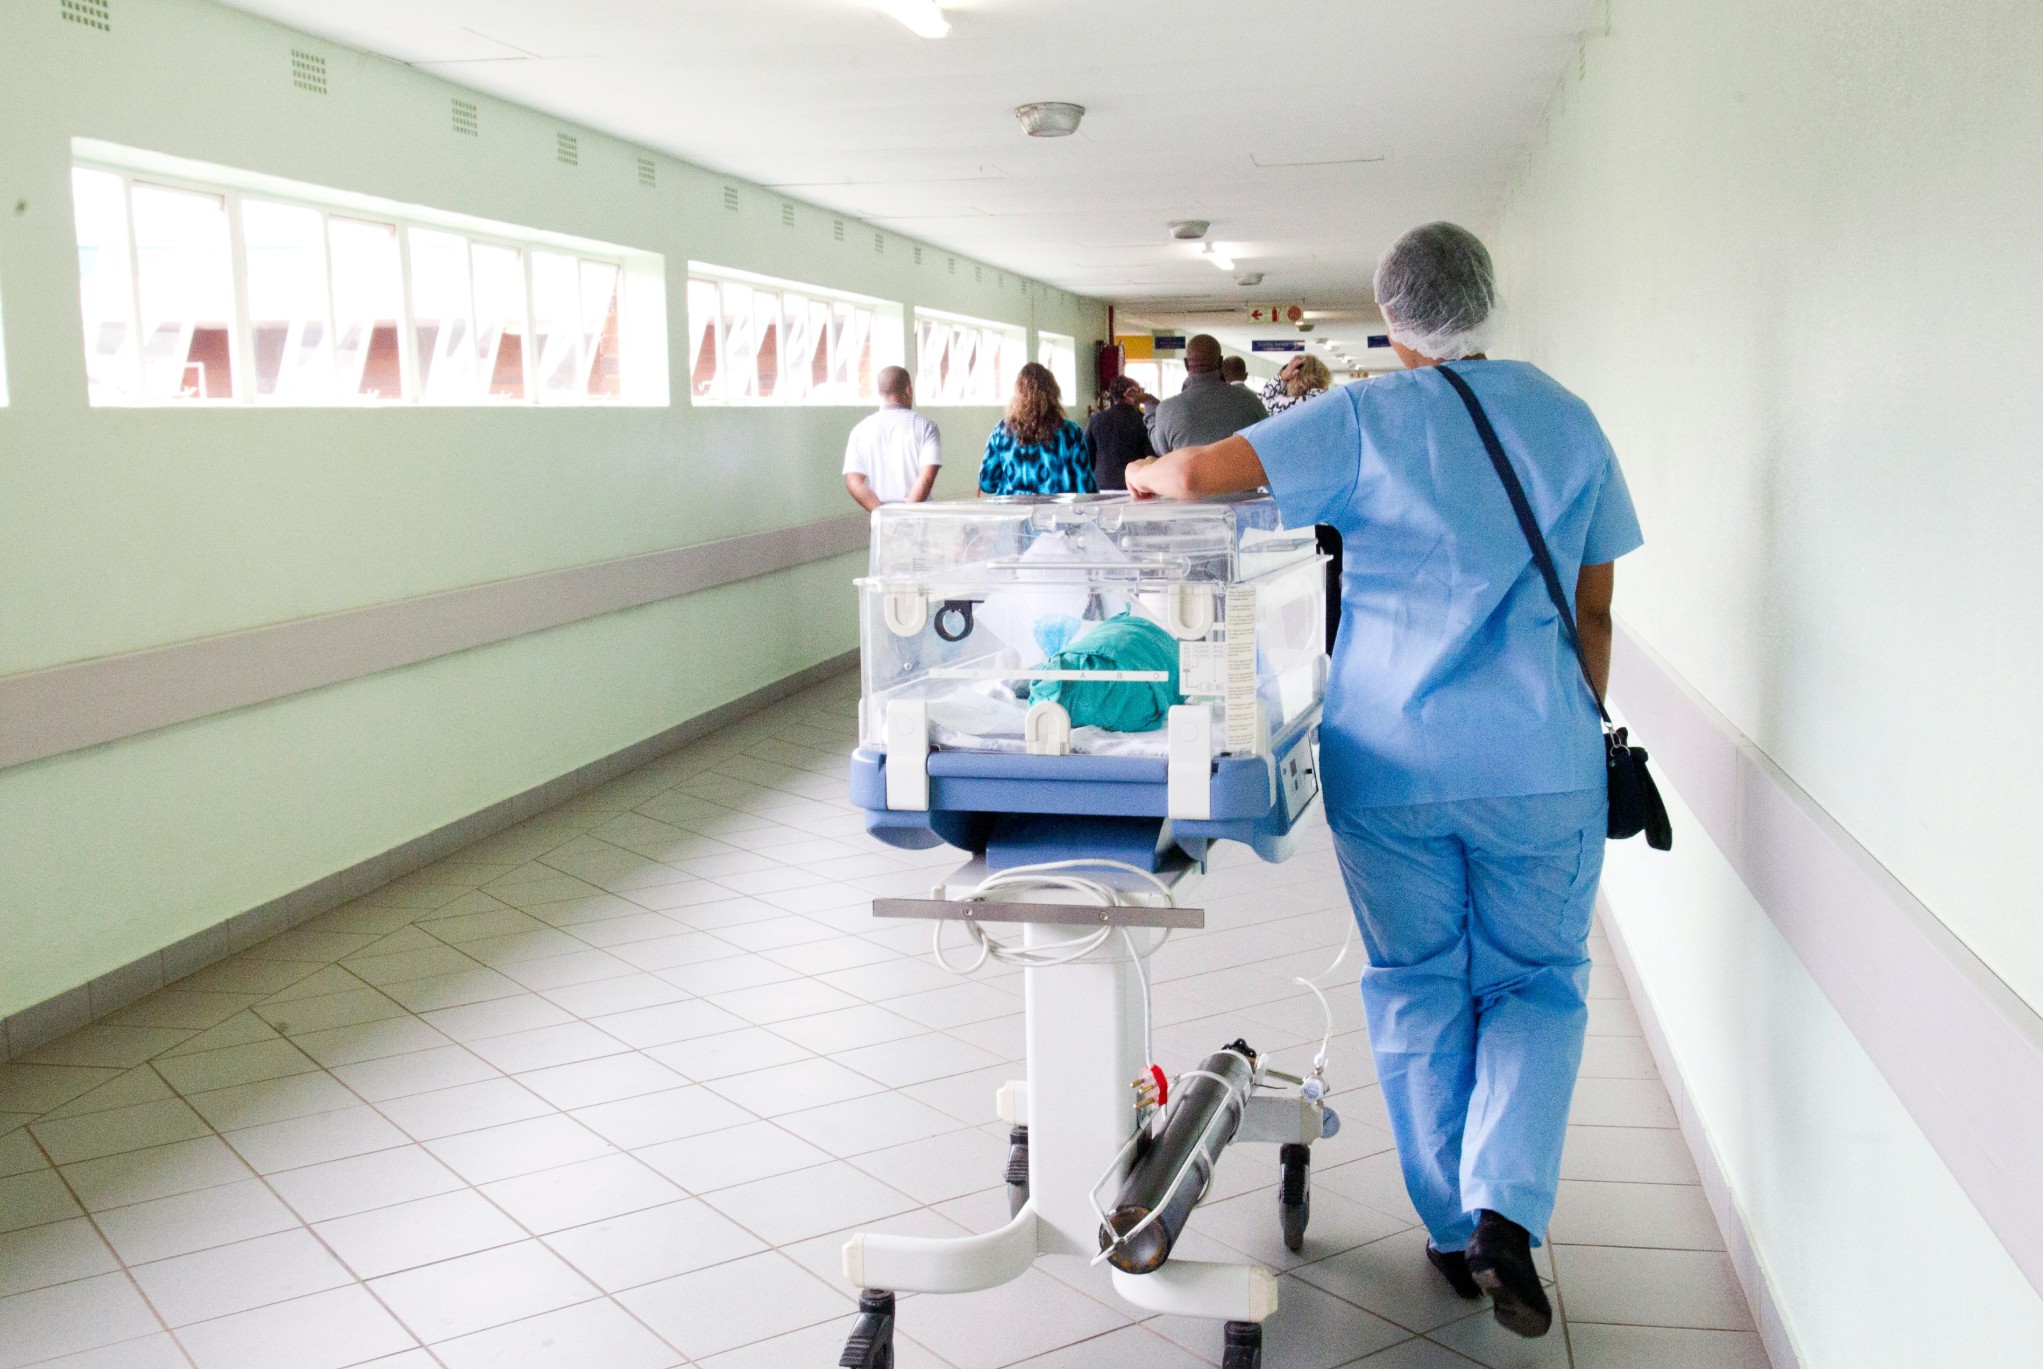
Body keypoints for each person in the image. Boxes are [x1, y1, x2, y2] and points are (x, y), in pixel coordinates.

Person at [1125, 222, 1642, 1341]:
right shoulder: (1569, 417)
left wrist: (1143, 463)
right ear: (1487, 300)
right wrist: (1563, 719)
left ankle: (1455, 1233)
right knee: (1536, 981)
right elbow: (1594, 611)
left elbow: (1202, 475)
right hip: (1543, 764)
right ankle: (1508, 1208)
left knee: (1417, 983)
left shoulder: (1365, 417)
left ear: (1392, 314)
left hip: (1393, 760)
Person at [978, 361, 1097, 496]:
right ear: (1053, 393)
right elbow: (1087, 488)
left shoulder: (1002, 431)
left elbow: (986, 483)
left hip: (1013, 513)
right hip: (1056, 514)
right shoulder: (1070, 432)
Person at [1145, 334, 1267, 453]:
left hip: (1190, 473)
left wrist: (1150, 408)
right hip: (1240, 473)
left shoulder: (1167, 409)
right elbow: (1266, 439)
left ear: (1186, 364)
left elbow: (1161, 450)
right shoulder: (1250, 401)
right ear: (1220, 363)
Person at [842, 366, 941, 512]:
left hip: (882, 526)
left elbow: (853, 481)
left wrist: (883, 514)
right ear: (908, 390)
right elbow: (926, 478)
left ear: (880, 392)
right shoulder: (926, 426)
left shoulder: (860, 431)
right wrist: (904, 515)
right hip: (918, 520)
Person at [1087, 374, 1160, 491]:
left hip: (1102, 484)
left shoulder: (1096, 420)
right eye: (1140, 391)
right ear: (1132, 394)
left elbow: (1088, 456)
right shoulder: (1142, 421)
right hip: (1133, 485)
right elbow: (1151, 456)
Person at [1260, 352, 1333, 416]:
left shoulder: (1292, 406)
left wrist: (1282, 377)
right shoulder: (1333, 404)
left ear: (1297, 380)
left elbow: (1261, 405)